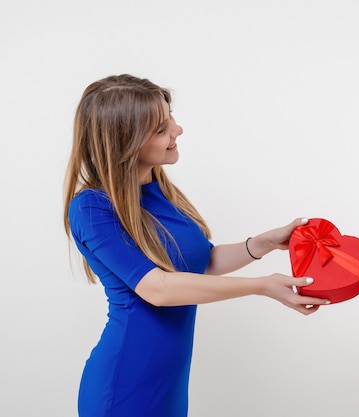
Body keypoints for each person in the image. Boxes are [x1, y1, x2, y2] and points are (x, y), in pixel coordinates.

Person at [63, 74, 329, 417]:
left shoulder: (159, 188)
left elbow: (201, 263)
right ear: (125, 142)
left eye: (169, 116)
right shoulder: (92, 208)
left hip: (169, 384)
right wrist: (261, 286)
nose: (177, 129)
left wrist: (261, 243)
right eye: (160, 128)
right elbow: (157, 288)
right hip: (124, 387)